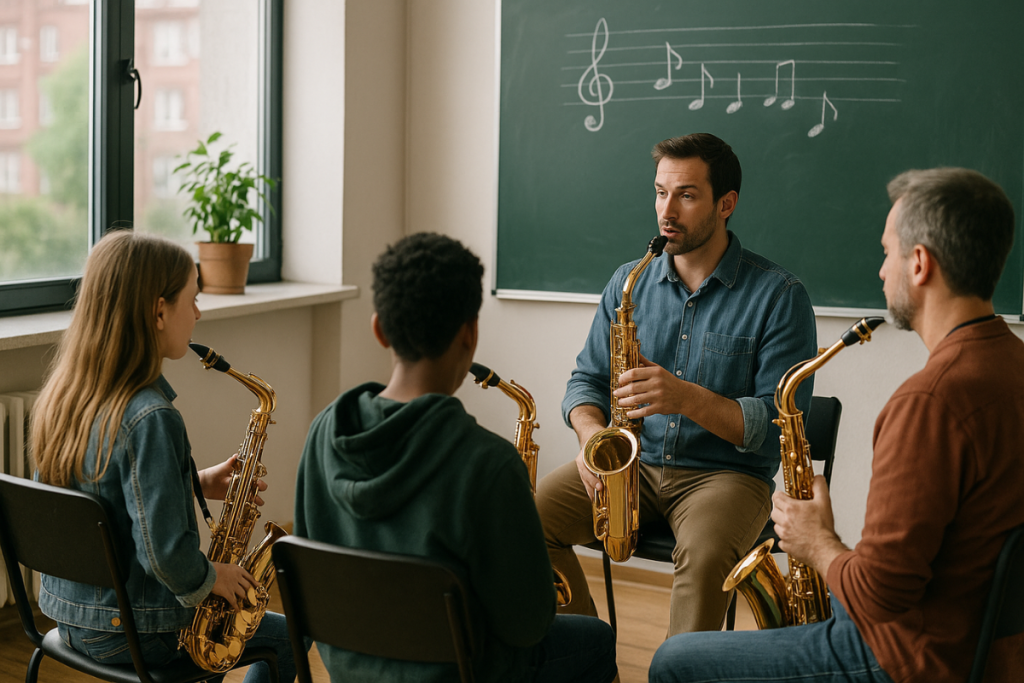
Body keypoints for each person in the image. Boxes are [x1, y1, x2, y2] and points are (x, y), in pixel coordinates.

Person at [650, 167, 1024, 683]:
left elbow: (879, 598)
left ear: (919, 264)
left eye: (887, 252)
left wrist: (816, 540)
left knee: (673, 661)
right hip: (990, 648)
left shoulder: (930, 403)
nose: (880, 271)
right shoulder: (1012, 364)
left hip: (912, 657)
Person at [293, 232, 617, 683]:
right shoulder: (488, 463)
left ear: (379, 329)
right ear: (471, 333)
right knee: (596, 640)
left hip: (349, 670)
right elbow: (527, 626)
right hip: (462, 676)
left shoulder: (323, 433)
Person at [536, 132, 818, 635]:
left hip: (726, 476)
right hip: (632, 466)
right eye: (661, 192)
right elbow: (585, 383)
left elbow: (774, 425)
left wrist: (684, 396)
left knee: (706, 557)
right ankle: (588, 660)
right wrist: (591, 440)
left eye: (686, 195)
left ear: (726, 203)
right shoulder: (628, 282)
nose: (667, 210)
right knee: (525, 518)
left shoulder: (780, 295)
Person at [32, 230, 298, 682]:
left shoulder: (66, 396)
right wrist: (214, 576)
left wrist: (198, 481)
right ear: (159, 311)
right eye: (191, 300)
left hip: (70, 617)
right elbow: (165, 556)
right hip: (136, 630)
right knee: (286, 635)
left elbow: (107, 486)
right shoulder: (150, 415)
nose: (197, 313)